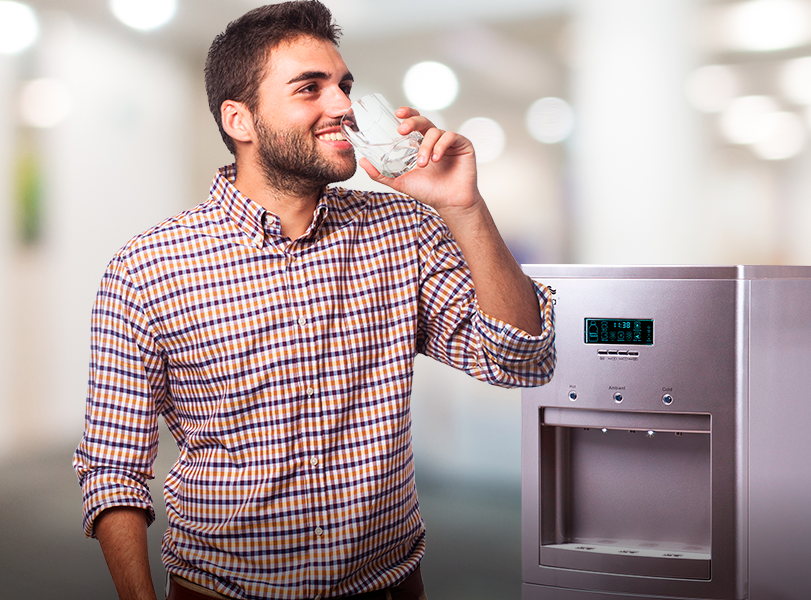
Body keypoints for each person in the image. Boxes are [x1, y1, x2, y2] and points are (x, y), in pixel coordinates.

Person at [72, 2, 555, 599]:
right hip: (220, 591)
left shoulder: (405, 229)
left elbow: (523, 360)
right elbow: (112, 468)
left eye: (344, 85)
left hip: (388, 587)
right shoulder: (146, 269)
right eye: (310, 88)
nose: (343, 106)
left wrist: (463, 207)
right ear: (240, 120)